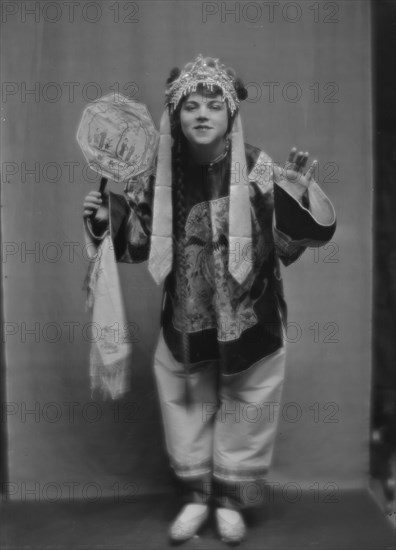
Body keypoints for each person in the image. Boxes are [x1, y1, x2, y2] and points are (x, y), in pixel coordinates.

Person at [82, 55, 336, 545]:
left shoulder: (260, 169)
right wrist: (102, 220)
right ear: (175, 115)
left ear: (230, 116)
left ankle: (230, 500)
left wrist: (295, 195)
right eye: (191, 106)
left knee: (250, 402)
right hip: (186, 314)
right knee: (183, 400)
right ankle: (196, 497)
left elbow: (285, 249)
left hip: (252, 314)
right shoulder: (157, 178)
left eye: (214, 106)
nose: (202, 114)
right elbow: (137, 243)